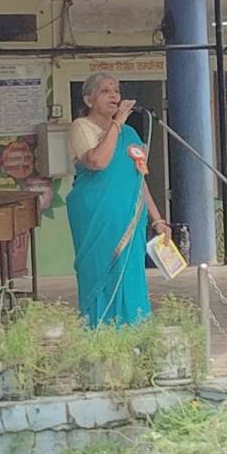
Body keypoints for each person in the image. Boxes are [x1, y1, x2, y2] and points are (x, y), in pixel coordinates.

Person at [66, 73, 170, 326]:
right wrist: (117, 123)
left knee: (130, 274)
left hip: (129, 216)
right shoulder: (81, 127)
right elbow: (97, 161)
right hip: (96, 215)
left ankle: (133, 329)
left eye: (116, 91)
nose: (114, 96)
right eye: (105, 91)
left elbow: (138, 179)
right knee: (99, 272)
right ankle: (99, 330)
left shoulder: (129, 133)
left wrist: (158, 220)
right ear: (89, 100)